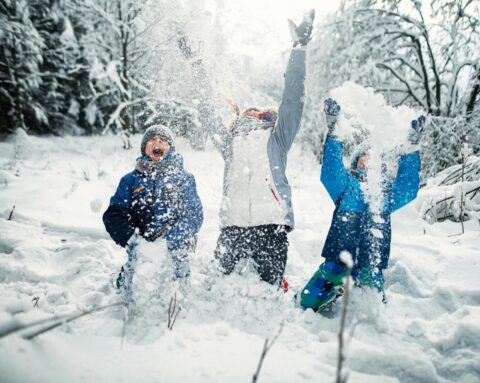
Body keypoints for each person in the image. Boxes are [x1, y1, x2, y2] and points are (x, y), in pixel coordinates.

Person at [177, 10, 315, 286]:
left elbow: (292, 100)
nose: (253, 112)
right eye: (247, 111)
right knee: (219, 289)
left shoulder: (277, 140)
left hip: (271, 225)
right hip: (233, 227)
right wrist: (195, 65)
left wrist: (298, 49)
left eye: (259, 111)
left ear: (268, 117)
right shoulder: (230, 144)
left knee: (267, 292)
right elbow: (206, 111)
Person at [300, 98, 425, 310]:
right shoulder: (347, 185)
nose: (368, 162)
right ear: (357, 161)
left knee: (373, 307)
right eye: (363, 157)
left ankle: (363, 304)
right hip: (338, 258)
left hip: (371, 263)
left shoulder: (384, 194)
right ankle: (330, 293)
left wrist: (411, 150)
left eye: (373, 158)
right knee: (307, 301)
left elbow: (407, 189)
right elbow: (330, 174)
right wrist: (334, 135)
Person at [103, 125, 203, 296]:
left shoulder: (184, 179)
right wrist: (133, 241)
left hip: (175, 249)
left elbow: (194, 215)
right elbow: (113, 215)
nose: (157, 142)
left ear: (171, 149)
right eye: (152, 140)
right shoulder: (130, 180)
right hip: (141, 250)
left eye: (163, 140)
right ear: (144, 149)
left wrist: (171, 240)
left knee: (176, 295)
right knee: (133, 291)